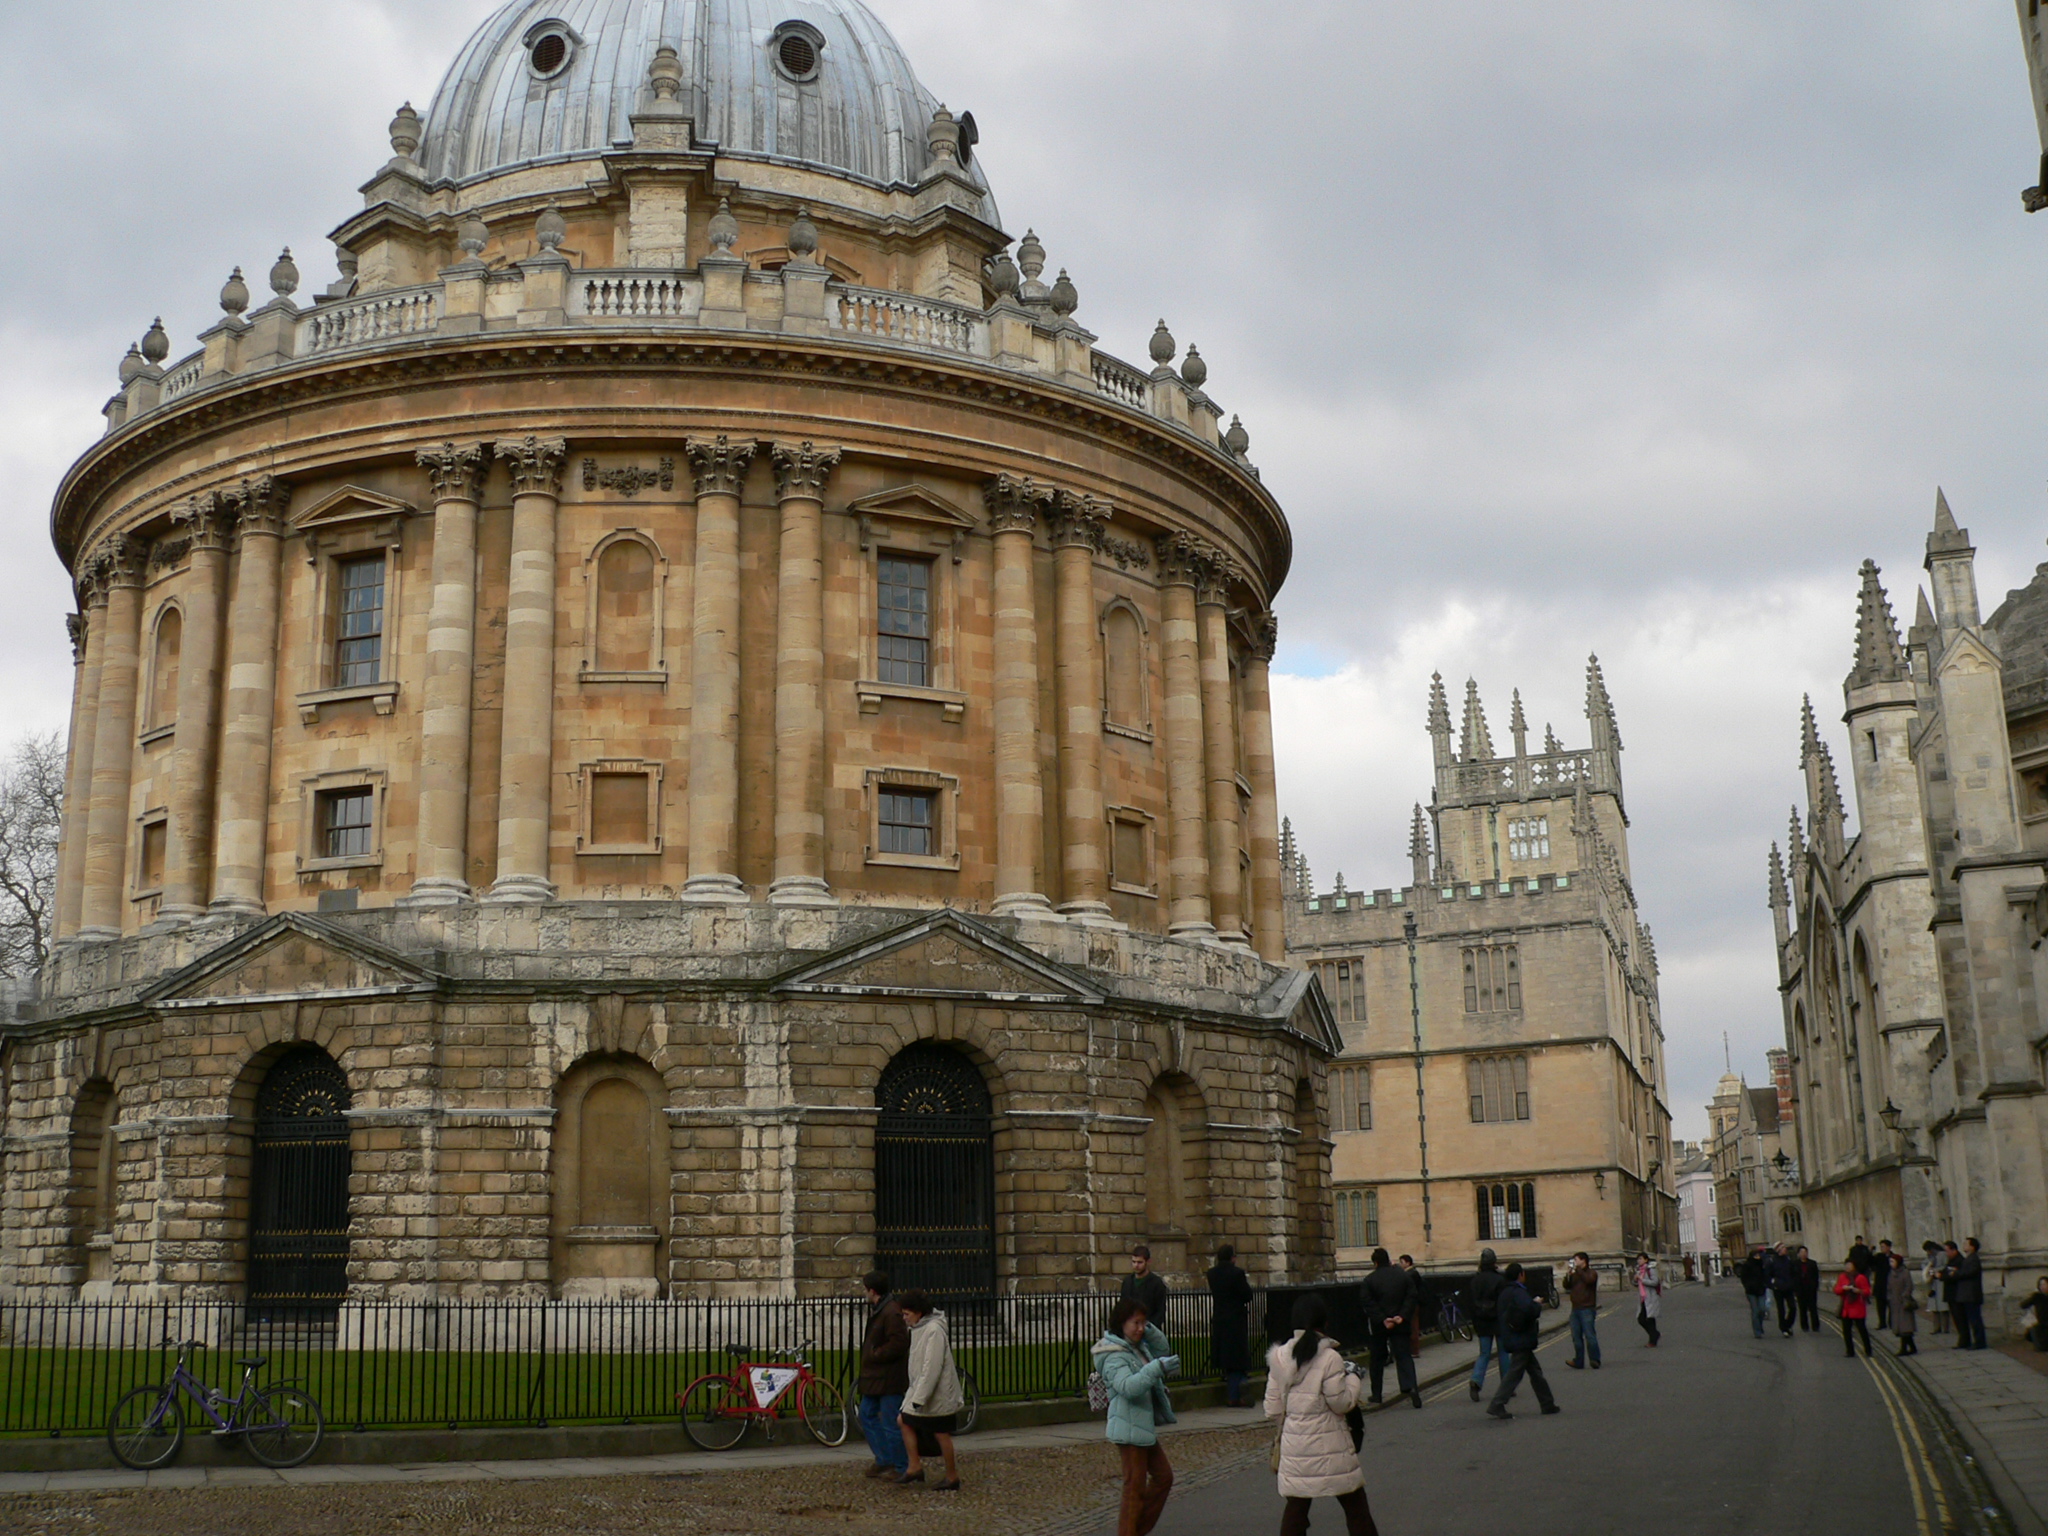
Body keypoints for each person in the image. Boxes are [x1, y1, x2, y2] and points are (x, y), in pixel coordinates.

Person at [1265, 1295, 1379, 1536]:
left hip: (1295, 1447)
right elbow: (1342, 1403)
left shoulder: (1278, 1358)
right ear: (1324, 1323)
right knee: (1355, 1506)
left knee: (1296, 1508)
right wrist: (1353, 1378)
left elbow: (1273, 1409)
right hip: (1331, 1445)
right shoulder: (1330, 1358)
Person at [1095, 1297, 1180, 1536]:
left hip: (1141, 1424)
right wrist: (1156, 1369)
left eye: (1143, 1323)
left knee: (1163, 1477)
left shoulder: (1136, 1345)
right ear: (1122, 1323)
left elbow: (1163, 1349)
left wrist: (1147, 1326)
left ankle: (1135, 1530)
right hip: (1128, 1425)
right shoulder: (1113, 1354)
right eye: (1136, 1323)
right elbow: (1128, 1387)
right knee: (1134, 1488)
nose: (1140, 1328)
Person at [896, 1290, 965, 1491]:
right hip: (923, 1392)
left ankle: (952, 1476)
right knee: (904, 1420)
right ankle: (914, 1466)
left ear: (918, 1313)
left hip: (937, 1395)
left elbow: (931, 1368)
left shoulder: (933, 1330)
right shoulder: (919, 1329)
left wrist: (919, 1398)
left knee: (941, 1433)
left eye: (907, 1314)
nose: (904, 1318)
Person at [855, 1270, 911, 1481]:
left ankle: (901, 1465)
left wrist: (875, 1354)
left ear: (873, 1291)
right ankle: (884, 1458)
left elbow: (899, 1343)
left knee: (890, 1423)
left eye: (866, 1289)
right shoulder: (882, 1309)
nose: (865, 1293)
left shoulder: (891, 1312)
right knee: (866, 1415)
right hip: (876, 1377)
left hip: (888, 1378)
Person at [1486, 1262, 1559, 1420]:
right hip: (1520, 1337)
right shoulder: (1517, 1292)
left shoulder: (1505, 1292)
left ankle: (1547, 1404)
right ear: (1520, 1275)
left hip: (1514, 1335)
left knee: (1535, 1372)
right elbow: (1529, 1310)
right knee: (1515, 1373)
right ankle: (1497, 1403)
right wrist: (1537, 1304)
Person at [1360, 1248, 1421, 1409]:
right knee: (1404, 1356)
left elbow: (1367, 1302)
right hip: (1400, 1322)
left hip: (1380, 1325)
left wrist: (1383, 1319)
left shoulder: (1369, 1280)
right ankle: (1411, 1387)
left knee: (1377, 1360)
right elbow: (1412, 1296)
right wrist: (1401, 1316)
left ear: (1375, 1263)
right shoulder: (1403, 1276)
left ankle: (1377, 1395)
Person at [1207, 1243, 1255, 1408]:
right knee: (1237, 1358)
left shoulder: (1212, 1274)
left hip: (1220, 1319)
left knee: (1228, 1358)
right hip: (1235, 1320)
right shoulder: (1237, 1274)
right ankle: (1236, 1394)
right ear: (1232, 1258)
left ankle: (1237, 1389)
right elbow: (1247, 1295)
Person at [1467, 1248, 1507, 1401]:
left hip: (1482, 1321)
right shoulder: (1499, 1280)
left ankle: (1476, 1381)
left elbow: (1470, 1303)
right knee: (1503, 1353)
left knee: (1484, 1354)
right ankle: (1507, 1384)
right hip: (1497, 1320)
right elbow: (1503, 1303)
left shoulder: (1475, 1280)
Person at [1564, 1252, 1601, 1370]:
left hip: (1587, 1308)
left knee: (1590, 1335)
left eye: (1576, 1259)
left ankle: (1595, 1359)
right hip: (1575, 1309)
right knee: (1576, 1337)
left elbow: (1589, 1281)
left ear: (1583, 1260)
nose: (1574, 1262)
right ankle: (1578, 1361)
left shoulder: (1592, 1273)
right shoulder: (1575, 1274)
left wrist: (1578, 1271)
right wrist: (1568, 1275)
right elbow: (1567, 1286)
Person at [1120, 1245, 1169, 1329]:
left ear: (1148, 1261)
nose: (1136, 1265)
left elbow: (1160, 1310)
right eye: (1134, 1262)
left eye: (1140, 1262)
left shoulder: (1156, 1283)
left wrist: (1150, 1328)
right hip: (1130, 1329)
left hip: (1149, 1329)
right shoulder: (1127, 1282)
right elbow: (1122, 1306)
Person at [1952, 1238, 1988, 1351]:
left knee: (1975, 1319)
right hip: (1966, 1294)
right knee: (1971, 1318)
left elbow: (1970, 1272)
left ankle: (1980, 1342)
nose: (1964, 1245)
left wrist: (1956, 1272)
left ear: (1972, 1247)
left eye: (1966, 1244)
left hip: (1971, 1294)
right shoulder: (1968, 1258)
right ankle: (1975, 1340)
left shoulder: (1974, 1259)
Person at [1835, 1261, 1873, 1357]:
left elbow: (1867, 1291)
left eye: (1850, 1265)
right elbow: (1836, 1290)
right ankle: (1850, 1351)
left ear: (1854, 1267)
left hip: (1858, 1307)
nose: (1847, 1267)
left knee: (1862, 1330)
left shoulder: (1860, 1277)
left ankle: (1868, 1350)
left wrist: (1859, 1291)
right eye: (1846, 1265)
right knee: (1846, 1331)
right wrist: (1844, 1288)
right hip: (1846, 1308)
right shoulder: (1842, 1277)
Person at [1887, 1254, 1919, 1357]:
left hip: (1904, 1303)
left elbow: (1909, 1286)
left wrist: (1905, 1296)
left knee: (1905, 1327)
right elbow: (1889, 1287)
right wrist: (1890, 1297)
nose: (1891, 1264)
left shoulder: (1905, 1273)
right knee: (1902, 1328)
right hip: (1895, 1303)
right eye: (1890, 1262)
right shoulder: (1891, 1274)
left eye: (1892, 1261)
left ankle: (1903, 1349)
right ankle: (1912, 1347)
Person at [1737, 1246, 1770, 1339]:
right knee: (1755, 1311)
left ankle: (1759, 1325)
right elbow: (1743, 1278)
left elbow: (1766, 1275)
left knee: (1762, 1309)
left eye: (1758, 1255)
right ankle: (1757, 1331)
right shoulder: (1747, 1265)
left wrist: (1765, 1284)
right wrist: (1748, 1286)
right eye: (1755, 1255)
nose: (1757, 1257)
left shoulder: (1762, 1265)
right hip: (1751, 1291)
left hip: (1761, 1290)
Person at [1767, 1242, 1798, 1338]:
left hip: (1788, 1287)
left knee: (1793, 1308)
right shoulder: (1772, 1260)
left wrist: (1794, 1284)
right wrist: (1773, 1285)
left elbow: (1793, 1273)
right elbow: (1768, 1275)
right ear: (1778, 1250)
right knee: (1781, 1310)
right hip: (1778, 1288)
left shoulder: (1788, 1259)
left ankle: (1788, 1325)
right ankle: (1783, 1328)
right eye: (1783, 1248)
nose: (1785, 1249)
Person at [1399, 1255, 1425, 1357]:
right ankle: (1413, 1349)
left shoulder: (1411, 1274)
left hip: (1412, 1304)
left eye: (1401, 1262)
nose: (1400, 1265)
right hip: (1413, 1303)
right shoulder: (1412, 1273)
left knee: (1413, 1326)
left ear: (1407, 1263)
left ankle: (1414, 1350)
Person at [1634, 1252, 1662, 1347]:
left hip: (1650, 1297)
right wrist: (1635, 1280)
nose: (1639, 1261)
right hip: (1643, 1297)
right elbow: (1636, 1284)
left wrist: (1642, 1280)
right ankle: (1654, 1335)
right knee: (1642, 1319)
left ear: (1646, 1260)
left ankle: (1653, 1339)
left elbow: (1655, 1282)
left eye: (1641, 1259)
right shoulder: (1639, 1270)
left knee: (1649, 1318)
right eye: (1638, 1259)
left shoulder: (1651, 1269)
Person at [1923, 1242, 1951, 1336]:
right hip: (1933, 1283)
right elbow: (1924, 1265)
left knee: (1943, 1307)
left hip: (1940, 1281)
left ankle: (1945, 1327)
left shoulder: (1942, 1254)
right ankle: (1936, 1327)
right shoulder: (1929, 1256)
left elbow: (1945, 1265)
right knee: (1934, 1307)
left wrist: (1936, 1270)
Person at [1872, 1241, 1898, 1331]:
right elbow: (1870, 1263)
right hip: (1880, 1285)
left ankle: (1892, 1322)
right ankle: (1882, 1323)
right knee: (1880, 1306)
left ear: (1889, 1247)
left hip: (1890, 1285)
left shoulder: (1894, 1257)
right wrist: (1870, 1252)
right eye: (1881, 1247)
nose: (1882, 1248)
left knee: (1891, 1306)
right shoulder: (1878, 1257)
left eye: (1883, 1246)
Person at [1796, 1245, 1822, 1333]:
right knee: (1802, 1309)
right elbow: (1793, 1277)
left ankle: (1815, 1326)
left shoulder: (1812, 1263)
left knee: (1813, 1308)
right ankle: (1804, 1326)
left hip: (1811, 1289)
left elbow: (1816, 1276)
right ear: (1799, 1254)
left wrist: (1815, 1286)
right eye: (1802, 1252)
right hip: (1800, 1289)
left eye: (1805, 1252)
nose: (1803, 1254)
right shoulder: (1795, 1264)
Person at [2023, 1277, 2048, 1352]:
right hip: (2042, 1325)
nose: (2042, 1287)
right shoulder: (2037, 1296)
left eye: (2044, 1284)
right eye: (2041, 1285)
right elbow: (2023, 1305)